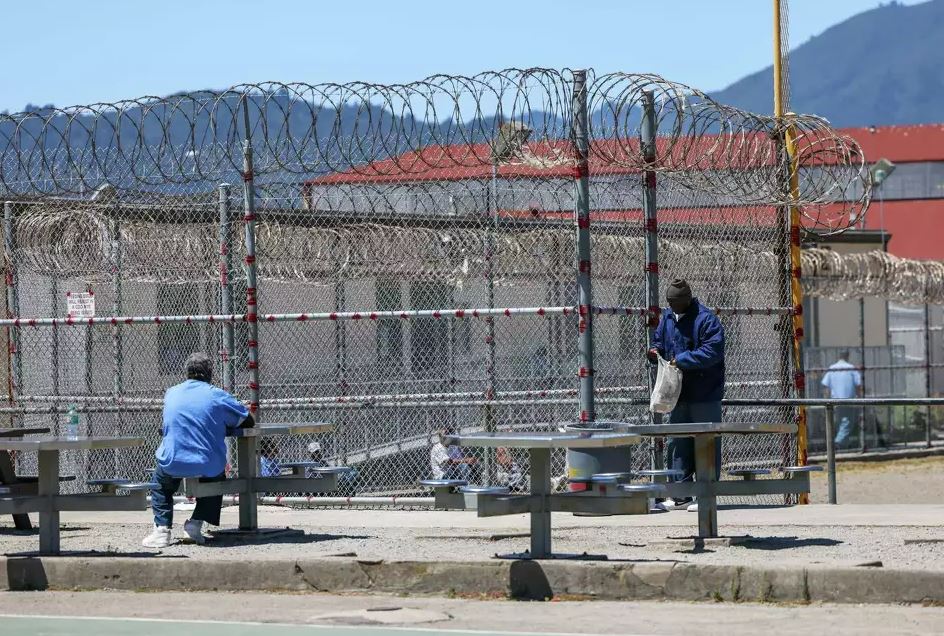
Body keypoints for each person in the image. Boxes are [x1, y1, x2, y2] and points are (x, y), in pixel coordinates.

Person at [142, 352, 254, 548]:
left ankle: (161, 530)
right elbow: (248, 420)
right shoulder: (216, 394)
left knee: (161, 485)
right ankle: (195, 524)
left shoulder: (172, 392)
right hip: (206, 462)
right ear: (210, 373)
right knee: (216, 480)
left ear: (187, 373)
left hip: (173, 460)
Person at [647, 279, 725, 512]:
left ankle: (706, 493)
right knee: (678, 441)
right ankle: (681, 494)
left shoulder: (706, 319)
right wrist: (654, 351)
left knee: (706, 442)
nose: (673, 308)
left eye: (677, 304)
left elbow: (712, 351)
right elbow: (659, 341)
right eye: (670, 304)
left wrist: (681, 360)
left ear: (687, 300)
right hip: (677, 393)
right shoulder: (668, 318)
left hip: (704, 392)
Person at [821, 350, 863, 448]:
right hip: (849, 400)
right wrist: (860, 397)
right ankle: (838, 442)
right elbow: (858, 385)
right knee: (848, 422)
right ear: (848, 356)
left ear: (839, 356)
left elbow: (826, 386)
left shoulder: (832, 368)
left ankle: (843, 444)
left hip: (834, 400)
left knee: (839, 422)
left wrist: (826, 399)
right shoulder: (851, 368)